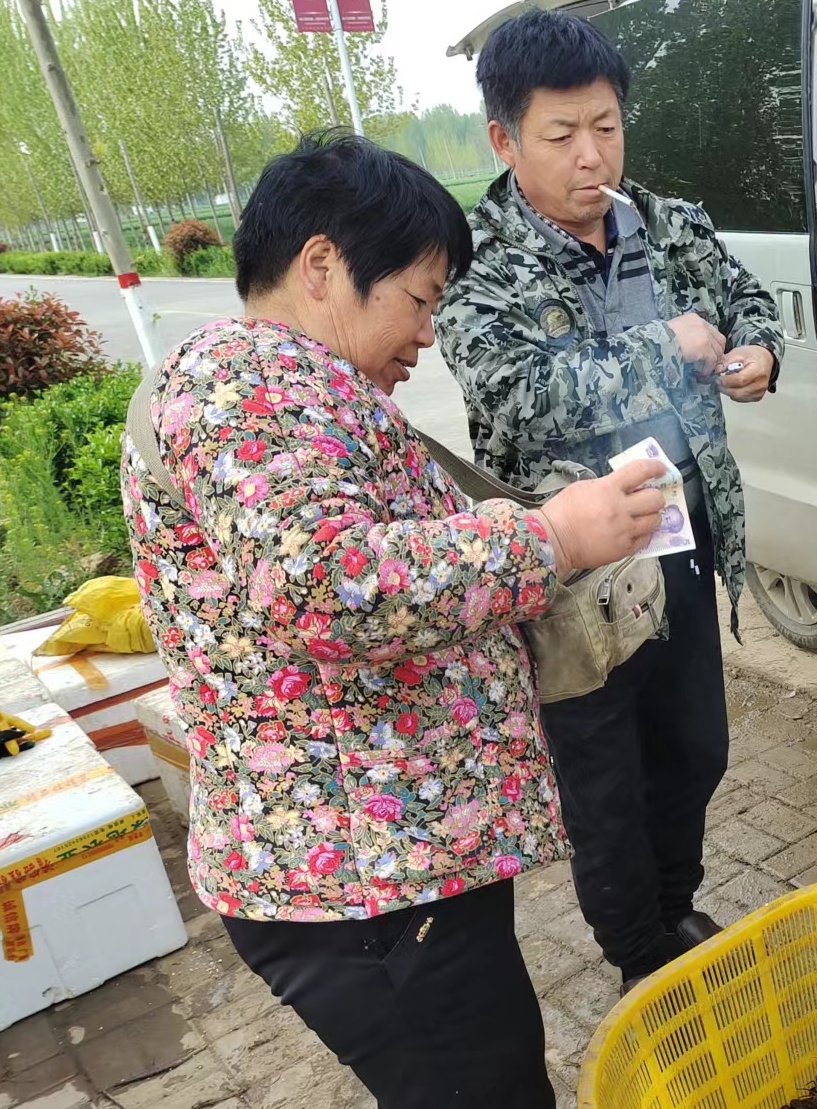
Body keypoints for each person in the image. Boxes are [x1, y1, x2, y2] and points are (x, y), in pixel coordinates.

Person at [121, 131, 668, 1109]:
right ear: (323, 263)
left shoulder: (291, 388)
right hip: (360, 894)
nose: (426, 336)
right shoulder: (242, 387)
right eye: (417, 299)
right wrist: (549, 539)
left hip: (389, 876)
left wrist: (517, 523)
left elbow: (362, 551)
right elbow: (327, 584)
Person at [435, 9, 784, 995]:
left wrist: (757, 351)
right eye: (562, 135)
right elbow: (515, 391)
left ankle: (675, 903)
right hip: (575, 572)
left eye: (607, 126)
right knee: (604, 780)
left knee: (694, 747)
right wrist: (663, 348)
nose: (592, 156)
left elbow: (744, 300)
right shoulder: (474, 259)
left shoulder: (665, 223)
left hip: (678, 535)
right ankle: (641, 954)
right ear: (504, 139)